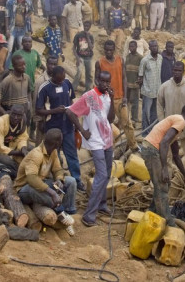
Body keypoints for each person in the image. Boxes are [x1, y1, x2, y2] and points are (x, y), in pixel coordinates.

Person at [66, 71, 116, 227]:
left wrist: (113, 100)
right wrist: (82, 130)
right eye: (102, 81)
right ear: (96, 80)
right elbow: (70, 111)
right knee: (101, 175)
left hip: (107, 139)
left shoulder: (108, 96)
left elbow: (111, 119)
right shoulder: (89, 96)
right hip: (95, 141)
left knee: (107, 174)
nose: (105, 84)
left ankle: (101, 204)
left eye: (108, 82)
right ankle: (89, 215)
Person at [142, 105, 185, 225]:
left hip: (150, 149)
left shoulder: (176, 125)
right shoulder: (181, 121)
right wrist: (164, 168)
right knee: (162, 185)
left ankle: (152, 211)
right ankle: (167, 220)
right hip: (152, 150)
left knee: (163, 184)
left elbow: (176, 156)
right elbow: (164, 142)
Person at [15, 128, 77, 235]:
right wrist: (52, 192)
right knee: (31, 189)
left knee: (71, 181)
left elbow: (57, 169)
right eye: (61, 140)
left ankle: (68, 213)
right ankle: (60, 211)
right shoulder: (36, 154)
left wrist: (58, 179)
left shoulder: (53, 151)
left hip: (42, 183)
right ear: (57, 143)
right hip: (24, 189)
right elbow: (31, 179)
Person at [35, 65, 83, 191]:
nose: (61, 81)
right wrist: (55, 111)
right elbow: (38, 109)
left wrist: (75, 121)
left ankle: (77, 180)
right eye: (59, 80)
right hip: (52, 127)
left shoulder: (67, 83)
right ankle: (55, 180)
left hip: (67, 126)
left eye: (63, 79)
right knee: (53, 155)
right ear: (53, 77)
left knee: (71, 154)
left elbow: (72, 102)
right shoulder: (45, 88)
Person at [96, 40, 134, 150]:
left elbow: (124, 78)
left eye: (110, 50)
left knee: (127, 123)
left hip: (120, 98)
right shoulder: (99, 62)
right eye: (106, 50)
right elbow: (96, 79)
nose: (108, 52)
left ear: (114, 50)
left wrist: (125, 96)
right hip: (106, 99)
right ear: (104, 50)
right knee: (107, 124)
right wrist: (102, 88)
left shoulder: (120, 60)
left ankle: (133, 145)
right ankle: (107, 148)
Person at [138, 39, 163, 133]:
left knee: (155, 113)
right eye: (152, 46)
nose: (155, 48)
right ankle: (145, 132)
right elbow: (140, 76)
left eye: (156, 46)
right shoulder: (145, 60)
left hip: (157, 90)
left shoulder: (160, 58)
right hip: (147, 91)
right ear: (149, 48)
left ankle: (153, 131)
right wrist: (141, 91)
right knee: (145, 113)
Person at [5, 0, 33, 68]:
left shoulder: (28, 2)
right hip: (12, 28)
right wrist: (7, 29)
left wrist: (29, 26)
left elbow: (31, 11)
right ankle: (7, 68)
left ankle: (21, 67)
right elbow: (7, 16)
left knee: (21, 49)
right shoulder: (10, 1)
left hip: (22, 29)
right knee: (9, 49)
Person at [124, 40, 143, 129]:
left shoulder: (140, 57)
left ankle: (134, 120)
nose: (131, 48)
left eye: (133, 46)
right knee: (126, 102)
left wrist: (140, 80)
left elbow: (142, 71)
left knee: (135, 103)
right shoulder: (127, 57)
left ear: (136, 47)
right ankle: (126, 119)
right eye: (130, 47)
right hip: (127, 84)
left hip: (135, 84)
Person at [72, 21, 94, 92]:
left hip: (88, 57)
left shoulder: (90, 36)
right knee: (79, 71)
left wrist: (87, 37)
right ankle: (73, 87)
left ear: (90, 27)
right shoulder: (78, 35)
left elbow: (91, 48)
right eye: (85, 26)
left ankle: (88, 89)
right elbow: (74, 48)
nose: (86, 27)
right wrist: (77, 58)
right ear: (83, 26)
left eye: (88, 26)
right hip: (80, 56)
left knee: (89, 73)